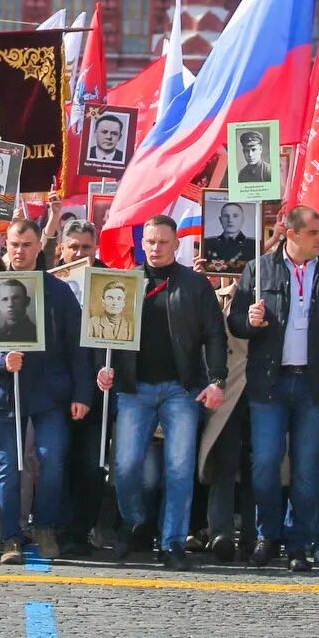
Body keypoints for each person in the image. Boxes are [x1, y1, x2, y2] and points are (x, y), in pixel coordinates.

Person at [227, 206, 319, 571]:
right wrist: (249, 321)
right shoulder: (259, 269)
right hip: (270, 382)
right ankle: (267, 534)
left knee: (307, 469)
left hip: (316, 384)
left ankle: (298, 541)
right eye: (315, 232)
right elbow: (236, 321)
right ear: (291, 234)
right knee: (266, 463)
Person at [95, 216, 225, 569]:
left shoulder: (195, 285)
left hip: (181, 390)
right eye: (150, 242)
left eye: (162, 242)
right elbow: (102, 334)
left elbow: (215, 334)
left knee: (180, 469)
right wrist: (102, 369)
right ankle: (135, 519)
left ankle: (172, 544)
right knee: (124, 467)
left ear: (176, 244)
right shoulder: (125, 281)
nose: (155, 248)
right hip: (133, 389)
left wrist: (217, 379)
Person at [0, 220, 90, 565]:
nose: (20, 251)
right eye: (15, 245)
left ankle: (45, 526)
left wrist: (83, 393)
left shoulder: (58, 292)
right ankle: (10, 538)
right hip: (8, 391)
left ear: (39, 248)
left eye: (27, 245)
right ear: (6, 245)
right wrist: (0, 360)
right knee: (10, 466)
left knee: (51, 459)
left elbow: (77, 345)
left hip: (51, 392)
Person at [201, 201, 254, 273]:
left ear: (242, 219)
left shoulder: (254, 244)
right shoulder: (208, 243)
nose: (230, 220)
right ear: (220, 219)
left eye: (235, 216)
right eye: (226, 216)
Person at [0, 276, 38, 345]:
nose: (10, 304)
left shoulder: (38, 334)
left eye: (16, 298)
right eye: (5, 299)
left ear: (27, 301)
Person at [87, 276, 134, 344]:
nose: (114, 303)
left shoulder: (131, 326)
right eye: (110, 298)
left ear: (124, 303)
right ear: (103, 301)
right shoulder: (91, 323)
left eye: (119, 299)